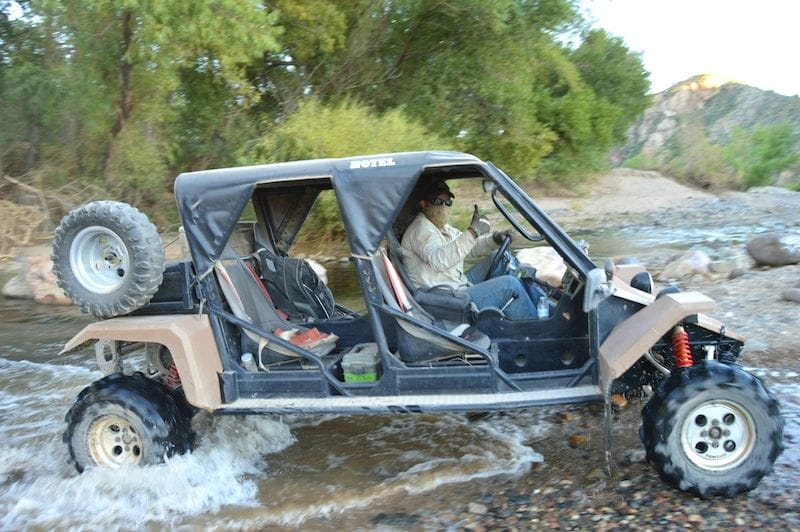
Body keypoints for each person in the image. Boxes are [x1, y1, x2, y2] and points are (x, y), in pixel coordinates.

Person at [401, 180, 541, 319]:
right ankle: (537, 329)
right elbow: (439, 261)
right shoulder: (420, 229)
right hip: (445, 301)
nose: (443, 207)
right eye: (437, 201)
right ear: (424, 204)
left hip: (456, 284)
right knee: (509, 285)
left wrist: (494, 239)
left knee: (501, 258)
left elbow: (468, 247)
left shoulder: (441, 227)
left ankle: (542, 308)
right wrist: (473, 232)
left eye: (448, 202)